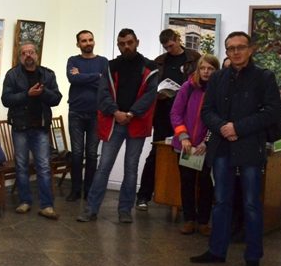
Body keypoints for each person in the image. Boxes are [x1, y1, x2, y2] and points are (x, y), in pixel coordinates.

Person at [191, 32, 281, 266]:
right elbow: (207, 111)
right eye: (231, 48)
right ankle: (217, 251)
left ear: (250, 49)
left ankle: (253, 257)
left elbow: (272, 111)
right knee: (221, 201)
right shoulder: (218, 77)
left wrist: (237, 128)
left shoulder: (264, 77)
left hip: (250, 146)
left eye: (240, 47)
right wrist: (223, 127)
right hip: (222, 146)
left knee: (251, 203)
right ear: (227, 51)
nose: (236, 52)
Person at [76, 29, 158, 224]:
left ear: (137, 42)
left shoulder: (150, 67)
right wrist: (116, 112)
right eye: (122, 44)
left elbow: (150, 95)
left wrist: (131, 113)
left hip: (136, 123)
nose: (126, 46)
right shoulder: (111, 66)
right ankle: (91, 209)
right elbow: (103, 93)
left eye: (130, 42)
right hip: (115, 122)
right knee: (104, 166)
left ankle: (125, 210)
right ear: (118, 45)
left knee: (131, 168)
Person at [135, 29, 202, 211]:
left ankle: (188, 202)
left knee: (188, 156)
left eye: (171, 46)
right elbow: (150, 86)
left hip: (186, 114)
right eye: (166, 47)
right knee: (156, 154)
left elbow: (200, 83)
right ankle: (143, 196)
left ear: (178, 40)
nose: (169, 49)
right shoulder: (159, 61)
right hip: (163, 113)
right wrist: (158, 93)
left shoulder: (194, 58)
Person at [1, 42, 62, 219]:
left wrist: (42, 92)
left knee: (43, 166)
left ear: (37, 55)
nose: (28, 55)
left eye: (31, 52)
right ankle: (24, 201)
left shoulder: (48, 74)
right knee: (21, 166)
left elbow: (56, 98)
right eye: (24, 53)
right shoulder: (12, 75)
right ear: (20, 56)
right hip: (20, 127)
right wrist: (27, 94)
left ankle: (47, 205)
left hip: (40, 127)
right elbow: (6, 99)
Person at [170, 55, 218, 235]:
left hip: (205, 147)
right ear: (198, 69)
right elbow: (175, 113)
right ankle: (189, 220)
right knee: (187, 183)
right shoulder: (187, 87)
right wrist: (183, 137)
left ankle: (204, 221)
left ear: (216, 71)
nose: (206, 72)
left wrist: (207, 141)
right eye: (203, 68)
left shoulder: (219, 91)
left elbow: (219, 119)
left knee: (206, 184)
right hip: (186, 146)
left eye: (210, 69)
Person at [65, 30, 108, 202]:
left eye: (90, 40)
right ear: (78, 44)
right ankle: (75, 190)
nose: (88, 43)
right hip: (76, 112)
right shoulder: (73, 60)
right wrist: (96, 76)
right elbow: (72, 79)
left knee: (91, 154)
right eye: (84, 41)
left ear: (94, 41)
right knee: (76, 153)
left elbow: (105, 83)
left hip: (96, 113)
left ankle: (89, 190)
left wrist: (82, 76)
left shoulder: (103, 61)